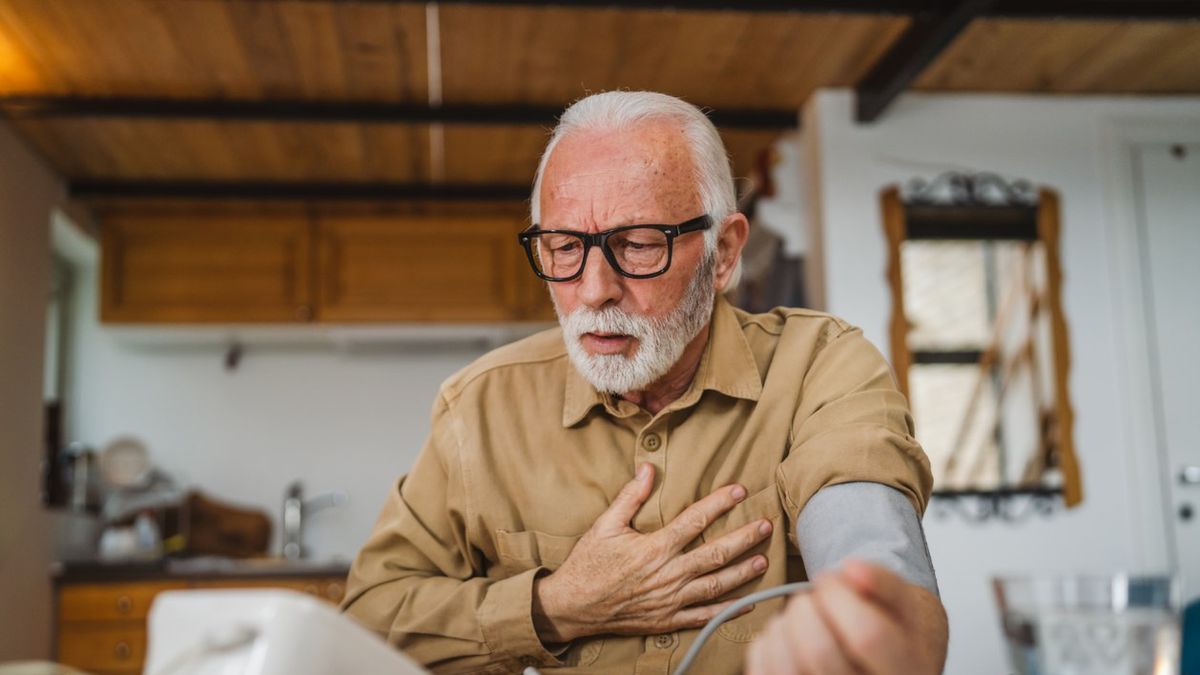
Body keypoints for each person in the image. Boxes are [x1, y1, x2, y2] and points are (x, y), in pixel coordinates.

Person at [341, 91, 947, 675]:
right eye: (563, 247)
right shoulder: (477, 408)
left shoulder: (820, 366)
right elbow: (367, 622)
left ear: (725, 253)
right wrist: (555, 607)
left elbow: (871, 551)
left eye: (636, 245)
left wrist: (865, 631)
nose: (593, 289)